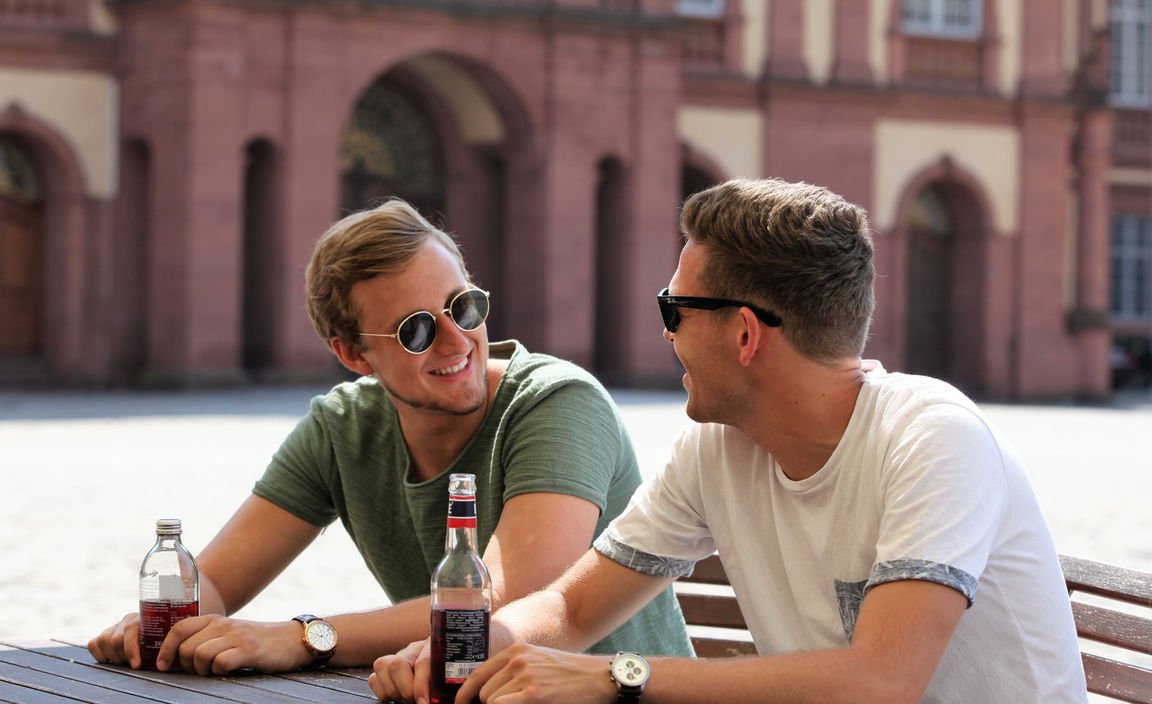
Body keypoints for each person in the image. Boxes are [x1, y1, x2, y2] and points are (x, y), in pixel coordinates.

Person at [370, 179, 1088, 703]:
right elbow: (574, 609)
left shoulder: (934, 439)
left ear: (745, 333)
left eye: (674, 308)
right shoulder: (722, 445)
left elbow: (881, 681)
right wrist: (467, 647)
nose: (664, 332)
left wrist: (614, 677)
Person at [87, 199, 692, 675]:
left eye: (464, 306)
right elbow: (216, 581)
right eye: (418, 329)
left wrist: (305, 639)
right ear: (353, 354)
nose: (457, 341)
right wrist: (163, 626)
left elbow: (504, 602)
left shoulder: (558, 402)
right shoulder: (344, 428)